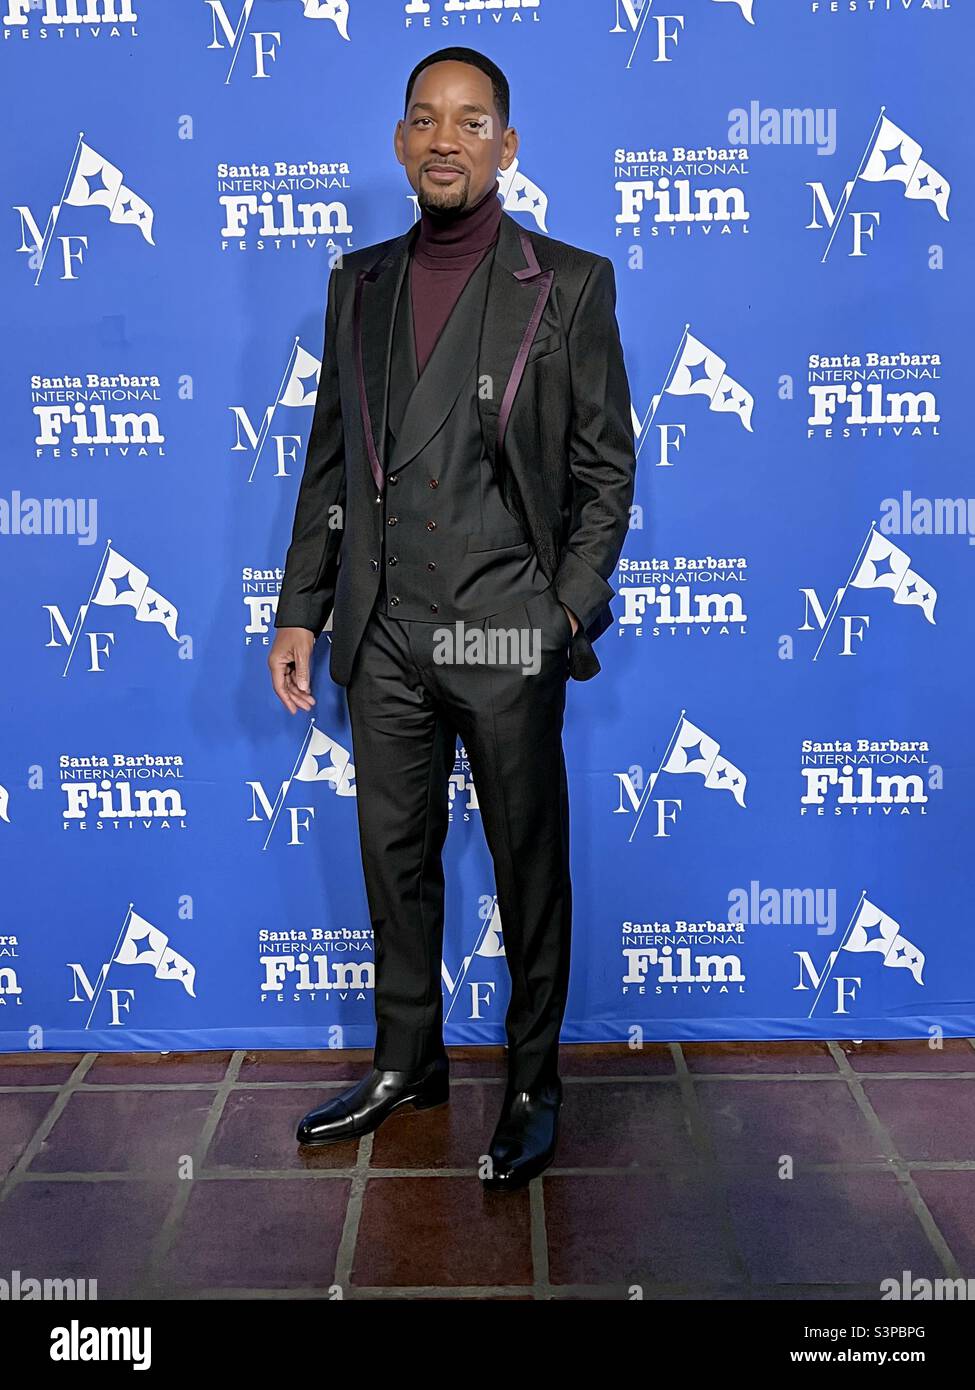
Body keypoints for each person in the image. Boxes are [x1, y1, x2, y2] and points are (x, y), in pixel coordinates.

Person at [268, 46, 636, 1190]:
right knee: (395, 857)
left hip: (502, 633)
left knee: (529, 869)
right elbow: (330, 460)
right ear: (398, 141)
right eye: (425, 119)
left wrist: (563, 618)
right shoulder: (358, 283)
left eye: (471, 123)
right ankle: (408, 1061)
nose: (445, 139)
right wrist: (301, 610)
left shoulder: (568, 284)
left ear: (507, 147)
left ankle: (531, 1085)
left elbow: (605, 471)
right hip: (380, 633)